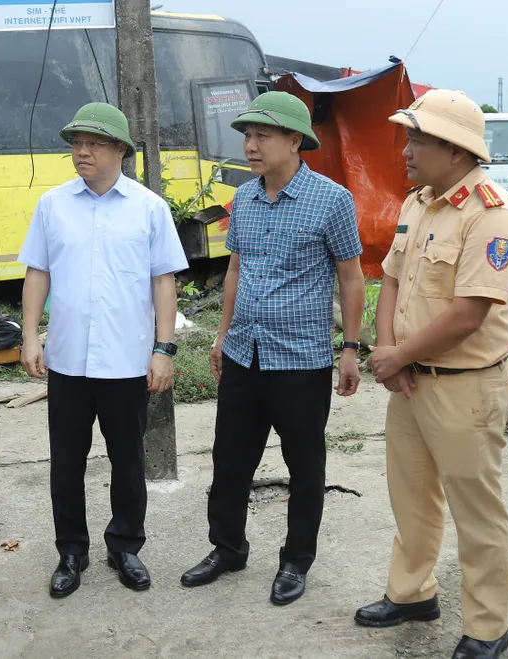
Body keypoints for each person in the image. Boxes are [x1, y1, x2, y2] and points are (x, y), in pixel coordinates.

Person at [355, 89, 508, 659]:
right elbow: (394, 282)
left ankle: (486, 628)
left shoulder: (492, 212)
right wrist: (387, 350)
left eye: (418, 138)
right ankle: (411, 593)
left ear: (455, 149)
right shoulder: (418, 203)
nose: (406, 150)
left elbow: (468, 313)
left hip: (466, 387)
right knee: (411, 497)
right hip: (409, 381)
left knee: (476, 514)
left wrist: (397, 357)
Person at [178, 91, 366, 606]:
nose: (250, 145)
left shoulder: (332, 200)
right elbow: (236, 270)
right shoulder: (246, 198)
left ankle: (295, 560)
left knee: (305, 467)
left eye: (262, 135)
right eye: (247, 135)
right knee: (229, 462)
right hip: (244, 355)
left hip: (301, 361)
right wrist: (221, 336)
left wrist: (349, 348)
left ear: (294, 140)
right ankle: (228, 547)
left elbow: (351, 279)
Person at [18, 102, 188, 598]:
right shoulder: (53, 205)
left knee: (128, 460)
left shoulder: (148, 208)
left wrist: (164, 349)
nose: (82, 151)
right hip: (68, 361)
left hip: (126, 360)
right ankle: (71, 551)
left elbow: (164, 281)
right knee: (65, 462)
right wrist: (31, 336)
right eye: (76, 143)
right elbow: (37, 272)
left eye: (93, 143)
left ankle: (125, 546)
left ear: (120, 150)